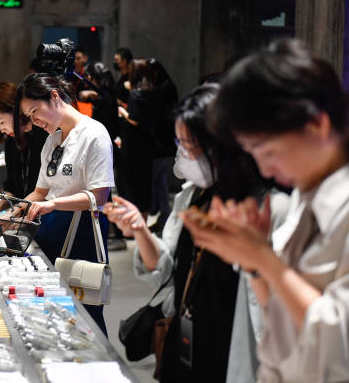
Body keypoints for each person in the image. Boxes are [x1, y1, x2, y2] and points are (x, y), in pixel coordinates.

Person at [181, 39, 349, 383]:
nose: (265, 168)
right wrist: (255, 265)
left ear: (317, 125)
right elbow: (280, 320)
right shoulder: (306, 197)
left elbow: (338, 347)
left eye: (266, 150)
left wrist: (263, 258)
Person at [105, 84, 288, 382]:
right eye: (180, 143)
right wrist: (139, 229)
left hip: (232, 353)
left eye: (190, 146)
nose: (183, 154)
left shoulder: (270, 209)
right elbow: (166, 271)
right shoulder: (193, 196)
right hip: (187, 342)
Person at [14, 73, 115, 334]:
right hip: (50, 231)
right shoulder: (52, 140)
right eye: (29, 116)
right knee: (53, 312)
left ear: (54, 97)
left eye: (35, 111)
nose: (35, 121)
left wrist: (54, 204)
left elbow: (98, 196)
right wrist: (11, 213)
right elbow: (40, 192)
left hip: (82, 232)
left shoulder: (94, 134)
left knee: (85, 314)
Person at [121, 57, 179, 232]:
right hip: (151, 143)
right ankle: (149, 221)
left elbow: (134, 119)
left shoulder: (137, 94)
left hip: (141, 145)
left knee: (138, 185)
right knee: (150, 184)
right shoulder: (154, 92)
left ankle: (140, 225)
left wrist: (123, 112)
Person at [0, 81, 48, 207]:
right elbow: (12, 188)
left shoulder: (47, 134)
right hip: (23, 214)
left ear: (15, 110)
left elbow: (46, 192)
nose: (1, 130)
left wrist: (14, 212)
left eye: (1, 122)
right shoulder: (11, 141)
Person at [110, 46, 134, 250]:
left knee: (124, 185)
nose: (115, 62)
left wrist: (120, 107)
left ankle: (125, 229)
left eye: (117, 59)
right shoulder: (122, 79)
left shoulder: (131, 80)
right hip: (121, 133)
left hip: (126, 136)